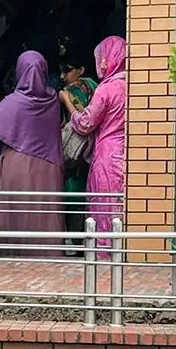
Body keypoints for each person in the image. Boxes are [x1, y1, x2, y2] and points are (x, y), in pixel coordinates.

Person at [0, 51, 66, 258]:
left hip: (17, 165)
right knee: (44, 213)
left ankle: (15, 259)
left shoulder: (15, 102)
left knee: (16, 212)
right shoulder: (52, 100)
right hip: (48, 167)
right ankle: (47, 258)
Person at [65, 36, 126, 250]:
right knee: (121, 207)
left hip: (107, 156)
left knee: (104, 207)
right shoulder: (134, 86)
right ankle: (123, 249)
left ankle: (104, 251)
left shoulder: (106, 89)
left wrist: (68, 104)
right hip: (127, 152)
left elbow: (86, 123)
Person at [58, 52, 98, 244]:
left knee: (73, 193)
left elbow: (83, 119)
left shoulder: (69, 91)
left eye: (67, 71)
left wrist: (66, 99)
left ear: (81, 70)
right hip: (96, 148)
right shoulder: (95, 87)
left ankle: (74, 240)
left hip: (75, 149)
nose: (62, 76)